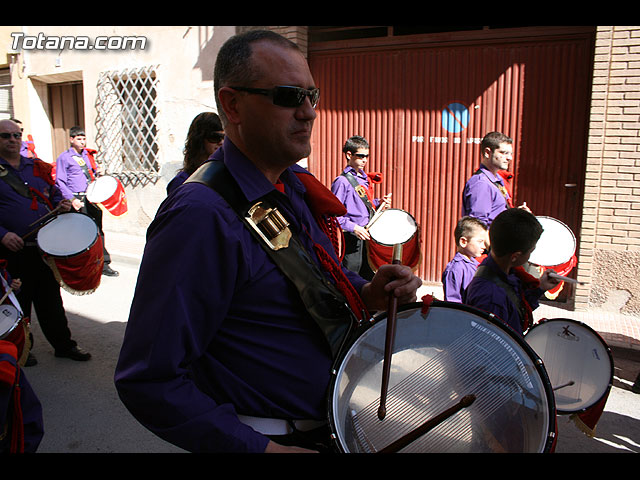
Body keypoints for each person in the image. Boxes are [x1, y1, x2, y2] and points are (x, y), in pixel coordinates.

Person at [114, 30, 421, 454]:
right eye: (289, 95)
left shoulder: (290, 186)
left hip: (334, 423)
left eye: (312, 95)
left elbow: (301, 292)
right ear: (232, 104)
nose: (309, 112)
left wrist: (368, 292)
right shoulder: (200, 216)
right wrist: (259, 451)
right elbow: (148, 378)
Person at [0, 119, 91, 363]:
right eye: (5, 136)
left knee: (50, 299)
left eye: (16, 135)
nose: (12, 140)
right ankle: (20, 347)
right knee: (18, 301)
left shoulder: (36, 167)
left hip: (43, 246)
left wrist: (61, 203)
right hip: (11, 248)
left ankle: (64, 345)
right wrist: (3, 234)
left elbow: (54, 193)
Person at [465, 208, 559, 337]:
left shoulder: (504, 271)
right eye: (530, 251)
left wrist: (540, 287)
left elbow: (517, 308)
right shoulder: (492, 299)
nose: (530, 256)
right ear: (515, 257)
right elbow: (491, 347)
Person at [54, 126, 118, 277]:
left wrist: (99, 173)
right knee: (80, 233)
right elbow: (60, 181)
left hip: (91, 197)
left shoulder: (88, 156)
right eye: (79, 139)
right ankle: (81, 266)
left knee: (97, 231)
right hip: (77, 198)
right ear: (71, 140)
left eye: (84, 139)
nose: (82, 142)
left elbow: (92, 174)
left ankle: (104, 264)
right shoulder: (65, 158)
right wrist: (72, 199)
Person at [331, 135, 390, 280]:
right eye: (361, 156)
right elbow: (333, 215)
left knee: (368, 278)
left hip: (368, 236)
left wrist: (378, 202)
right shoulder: (342, 182)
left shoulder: (363, 179)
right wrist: (354, 228)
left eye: (367, 156)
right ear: (349, 155)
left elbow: (361, 205)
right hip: (352, 237)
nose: (364, 160)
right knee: (350, 278)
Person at [462, 131, 529, 227]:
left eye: (511, 153)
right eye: (504, 153)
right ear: (487, 153)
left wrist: (515, 214)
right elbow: (477, 226)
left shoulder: (496, 180)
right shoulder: (481, 183)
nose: (509, 158)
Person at [167, 112, 225, 195]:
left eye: (225, 138)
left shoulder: (226, 178)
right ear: (200, 139)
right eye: (215, 137)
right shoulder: (182, 181)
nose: (221, 142)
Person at [441, 216, 488, 303]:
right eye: (480, 241)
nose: (484, 246)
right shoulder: (456, 269)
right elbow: (453, 302)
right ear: (463, 242)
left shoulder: (474, 264)